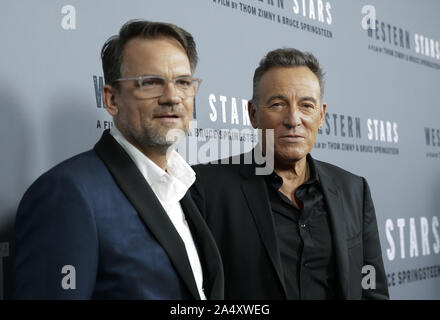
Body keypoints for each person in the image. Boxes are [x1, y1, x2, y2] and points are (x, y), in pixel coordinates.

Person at [11, 20, 223, 300]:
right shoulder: (68, 194)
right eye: (150, 83)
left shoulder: (184, 187)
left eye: (183, 82)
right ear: (111, 100)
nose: (172, 97)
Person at [191, 48, 389, 300]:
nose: (293, 119)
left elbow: (370, 285)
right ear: (253, 114)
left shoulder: (354, 189)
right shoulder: (207, 189)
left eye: (306, 105)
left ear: (321, 115)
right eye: (277, 104)